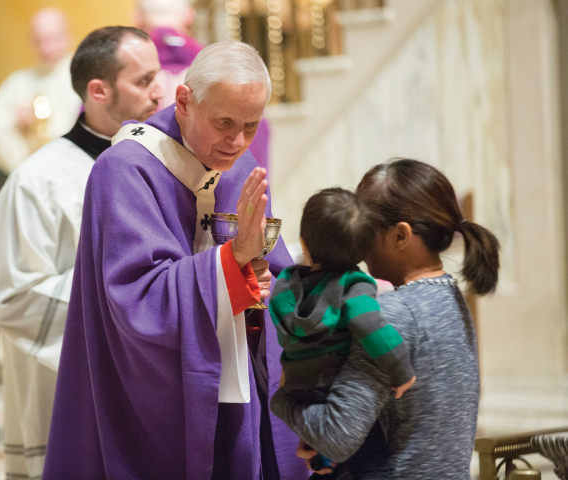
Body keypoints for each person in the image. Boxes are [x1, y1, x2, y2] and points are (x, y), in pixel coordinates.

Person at [43, 41, 308, 480]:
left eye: (251, 125)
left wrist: (265, 285)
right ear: (184, 101)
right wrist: (232, 261)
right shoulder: (125, 170)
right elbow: (136, 299)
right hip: (154, 397)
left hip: (236, 383)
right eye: (224, 122)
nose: (237, 141)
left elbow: (277, 275)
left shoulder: (238, 168)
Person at [0, 26, 163, 480]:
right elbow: (13, 296)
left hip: (149, 379)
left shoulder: (165, 165)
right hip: (70, 384)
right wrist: (124, 310)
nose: (159, 91)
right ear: (98, 91)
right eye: (143, 80)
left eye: (156, 76)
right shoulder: (37, 181)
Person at [271, 159, 500, 479]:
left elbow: (336, 437)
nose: (356, 246)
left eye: (365, 232)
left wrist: (281, 399)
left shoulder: (389, 315)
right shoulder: (450, 297)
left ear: (401, 235)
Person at [268, 187, 416, 478]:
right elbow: (370, 326)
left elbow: (281, 327)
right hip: (333, 387)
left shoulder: (287, 283)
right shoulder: (354, 285)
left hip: (299, 389)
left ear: (303, 244)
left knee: (321, 460)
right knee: (374, 456)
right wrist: (401, 371)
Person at [135, 0, 273, 171]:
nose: (237, 141)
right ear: (189, 16)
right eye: (224, 122)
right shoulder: (231, 76)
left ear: (137, 19)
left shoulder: (125, 81)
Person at [0, 8, 82, 174]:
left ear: (68, 36)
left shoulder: (83, 76)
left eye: (53, 39)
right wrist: (15, 122)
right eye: (39, 41)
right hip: (31, 174)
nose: (46, 48)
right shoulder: (18, 82)